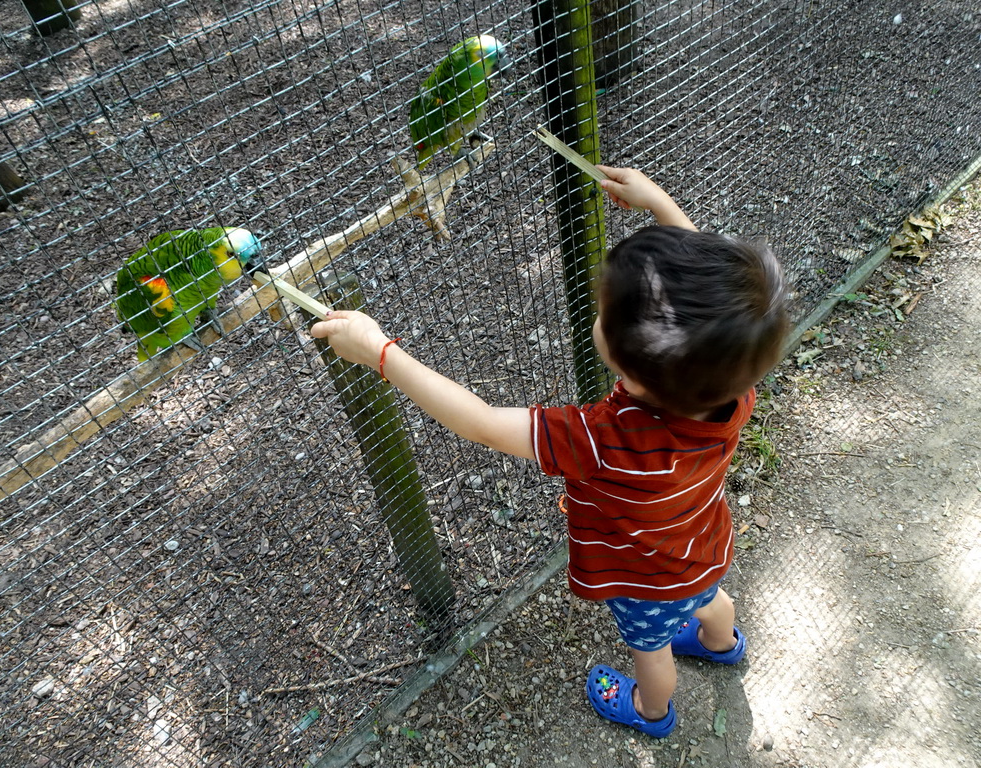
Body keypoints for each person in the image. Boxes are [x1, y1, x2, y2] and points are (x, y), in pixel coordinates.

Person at [310, 166, 790, 738]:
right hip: (701, 542)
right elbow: (709, 323)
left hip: (646, 575)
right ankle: (721, 643)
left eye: (604, 315)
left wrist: (381, 352)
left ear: (633, 372)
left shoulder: (605, 437)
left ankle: (651, 710)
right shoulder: (731, 389)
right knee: (709, 597)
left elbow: (484, 424)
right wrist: (660, 205)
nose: (599, 313)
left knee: (651, 648)